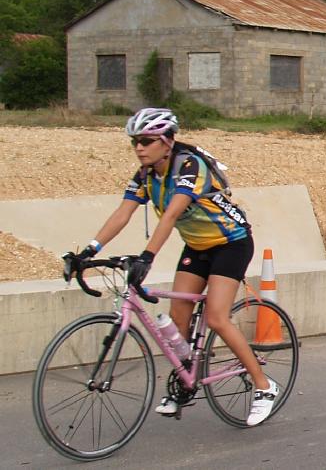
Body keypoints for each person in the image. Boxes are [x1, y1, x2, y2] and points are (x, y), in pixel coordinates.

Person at [70, 108, 279, 426]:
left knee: (217, 318)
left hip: (231, 244)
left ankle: (264, 387)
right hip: (197, 246)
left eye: (146, 141)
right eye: (135, 142)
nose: (139, 148)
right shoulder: (146, 175)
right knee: (178, 315)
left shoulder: (189, 166)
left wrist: (147, 257)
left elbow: (170, 215)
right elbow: (122, 213)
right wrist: (88, 251)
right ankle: (186, 380)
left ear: (167, 141)